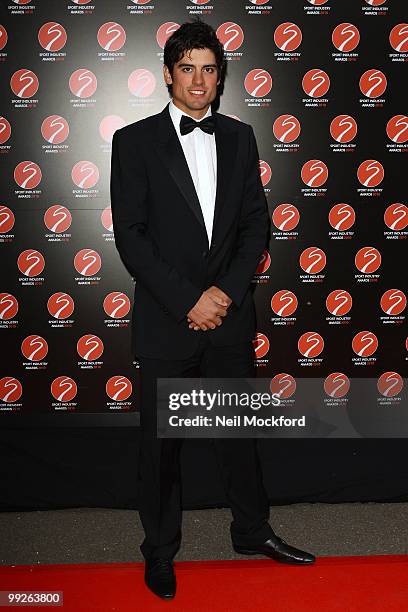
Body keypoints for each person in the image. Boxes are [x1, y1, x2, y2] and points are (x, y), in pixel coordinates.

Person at [110, 18, 315, 601]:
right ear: (169, 75)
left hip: (226, 318)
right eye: (187, 69)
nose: (198, 79)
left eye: (209, 69)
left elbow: (256, 227)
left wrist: (220, 296)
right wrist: (188, 301)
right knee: (161, 449)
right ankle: (159, 552)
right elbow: (132, 237)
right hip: (168, 320)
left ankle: (251, 531)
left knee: (237, 438)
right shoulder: (133, 141)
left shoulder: (240, 136)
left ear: (220, 78)